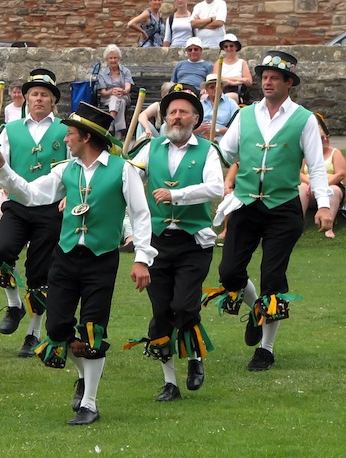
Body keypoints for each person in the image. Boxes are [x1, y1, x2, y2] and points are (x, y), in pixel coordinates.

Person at [0, 101, 156, 425]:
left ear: (87, 138)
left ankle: (89, 403)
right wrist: (5, 169)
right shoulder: (65, 169)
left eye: (71, 134)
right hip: (64, 257)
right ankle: (84, 377)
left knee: (91, 332)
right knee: (57, 328)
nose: (66, 139)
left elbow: (140, 215)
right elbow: (32, 194)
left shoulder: (124, 170)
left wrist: (142, 259)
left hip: (100, 260)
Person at [214, 50, 333, 371]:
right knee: (229, 273)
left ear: (289, 83)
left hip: (283, 208)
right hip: (246, 204)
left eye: (274, 78)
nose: (266, 82)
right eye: (264, 77)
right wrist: (210, 145)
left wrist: (323, 205)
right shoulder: (245, 114)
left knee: (273, 278)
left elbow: (317, 168)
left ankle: (266, 349)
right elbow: (226, 153)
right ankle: (257, 311)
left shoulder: (304, 119)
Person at [127, 84, 223, 401]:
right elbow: (128, 179)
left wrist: (177, 195)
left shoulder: (207, 151)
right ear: (164, 118)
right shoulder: (149, 149)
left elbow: (216, 189)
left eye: (183, 112)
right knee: (162, 311)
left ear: (196, 117)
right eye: (172, 112)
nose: (177, 117)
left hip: (193, 242)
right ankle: (170, 382)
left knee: (184, 306)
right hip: (156, 243)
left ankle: (194, 358)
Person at [0, 68, 68, 357]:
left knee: (39, 273)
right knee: (3, 252)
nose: (38, 99)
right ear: (26, 98)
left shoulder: (64, 129)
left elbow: (74, 167)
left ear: (52, 101)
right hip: (18, 205)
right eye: (34, 94)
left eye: (44, 95)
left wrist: (70, 196)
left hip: (51, 209)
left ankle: (33, 333)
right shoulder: (10, 129)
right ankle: (14, 305)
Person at [298, 113, 346, 238]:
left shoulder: (335, 153)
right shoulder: (307, 154)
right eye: (320, 138)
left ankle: (329, 227)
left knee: (334, 190)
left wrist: (322, 185)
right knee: (301, 188)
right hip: (310, 188)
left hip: (330, 185)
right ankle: (298, 223)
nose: (325, 140)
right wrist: (310, 183)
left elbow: (341, 173)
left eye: (326, 137)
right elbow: (299, 173)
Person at [98, 44, 134, 138]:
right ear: (107, 60)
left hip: (124, 96)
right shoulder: (102, 74)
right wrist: (111, 92)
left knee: (120, 99)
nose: (113, 60)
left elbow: (128, 87)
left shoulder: (125, 71)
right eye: (110, 58)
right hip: (107, 98)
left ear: (119, 59)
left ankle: (110, 122)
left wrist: (123, 91)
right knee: (118, 100)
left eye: (115, 58)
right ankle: (118, 130)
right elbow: (103, 92)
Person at [194, 73, 239, 141]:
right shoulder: (200, 105)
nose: (215, 89)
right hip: (200, 139)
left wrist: (217, 131)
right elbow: (190, 130)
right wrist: (200, 129)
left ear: (222, 88)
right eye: (212, 87)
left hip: (223, 140)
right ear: (206, 90)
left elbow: (237, 128)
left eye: (217, 86)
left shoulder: (231, 103)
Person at [214, 34, 253, 104]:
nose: (228, 48)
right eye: (226, 46)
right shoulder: (219, 62)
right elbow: (214, 79)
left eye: (231, 46)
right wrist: (238, 80)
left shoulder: (242, 62)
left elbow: (249, 82)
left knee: (228, 97)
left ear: (236, 47)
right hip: (220, 89)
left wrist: (225, 79)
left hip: (237, 91)